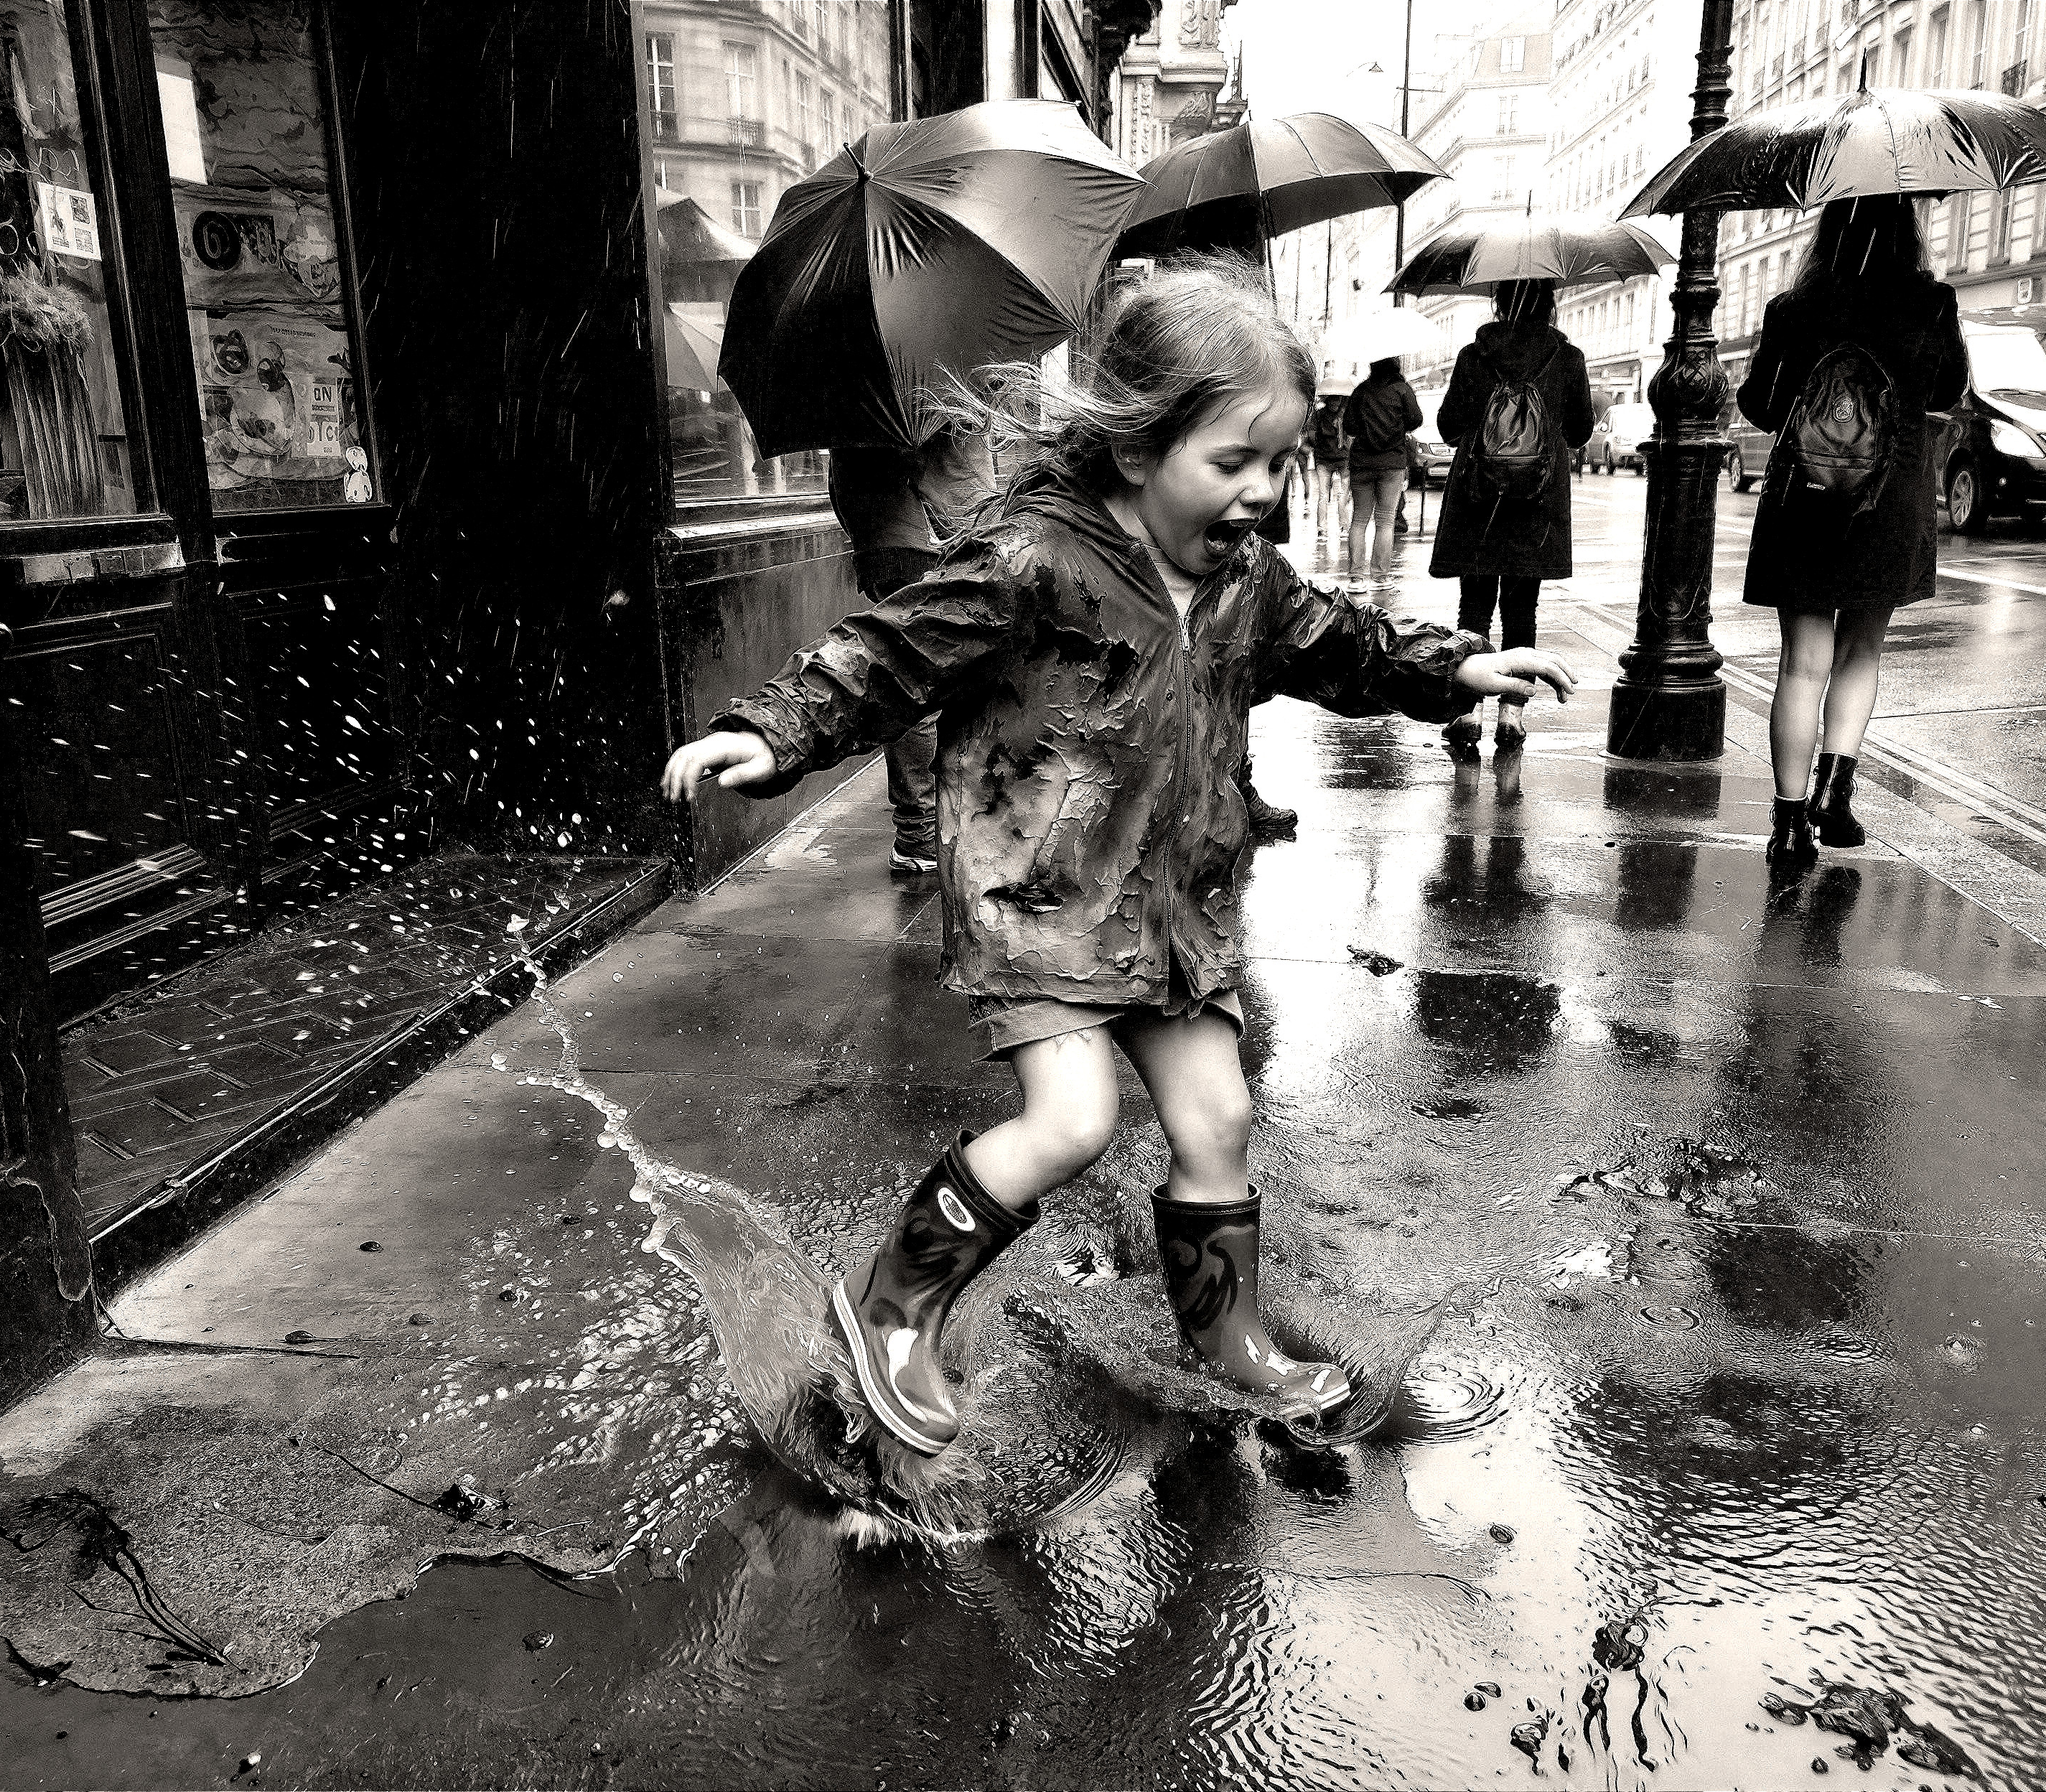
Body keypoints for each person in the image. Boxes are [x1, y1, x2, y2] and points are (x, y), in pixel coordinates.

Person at [662, 257, 1574, 1457]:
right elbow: (889, 651)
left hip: (1172, 904)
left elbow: (1336, 642)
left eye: (1280, 462)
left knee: (1214, 1116)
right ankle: (892, 1303)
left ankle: (1224, 1334)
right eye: (1234, 462)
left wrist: (1448, 666)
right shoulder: (1034, 556)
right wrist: (768, 730)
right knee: (1073, 1116)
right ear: (1140, 448)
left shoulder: (1242, 580)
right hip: (1041, 895)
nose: (1261, 491)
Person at [1737, 195, 1967, 874]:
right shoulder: (1931, 303)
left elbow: (1761, 405)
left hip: (1805, 497)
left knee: (1801, 664)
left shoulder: (1794, 307)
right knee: (1862, 648)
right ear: (1907, 230)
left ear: (1830, 228)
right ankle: (1835, 794)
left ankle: (1787, 825)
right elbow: (1945, 390)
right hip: (1888, 499)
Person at [1429, 279, 1595, 751]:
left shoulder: (1472, 355)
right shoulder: (1568, 359)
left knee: (1473, 609)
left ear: (1499, 302)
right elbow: (1581, 431)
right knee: (1523, 612)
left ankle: (1467, 712)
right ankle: (1512, 716)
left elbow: (1448, 427)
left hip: (1478, 500)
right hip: (1537, 504)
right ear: (1550, 303)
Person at [826, 430, 994, 874]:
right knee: (920, 672)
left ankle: (923, 824)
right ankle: (921, 830)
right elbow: (965, 483)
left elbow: (842, 489)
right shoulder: (933, 381)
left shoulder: (863, 400)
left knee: (908, 666)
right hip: (926, 540)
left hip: (887, 539)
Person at [1343, 356, 1425, 584]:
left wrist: (1367, 426)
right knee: (1386, 521)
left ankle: (1356, 578)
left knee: (1359, 520)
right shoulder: (1402, 390)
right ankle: (1380, 577)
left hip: (1362, 462)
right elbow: (1416, 420)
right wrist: (1396, 425)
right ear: (1395, 365)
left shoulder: (1361, 391)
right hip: (1392, 462)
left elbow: (1349, 426)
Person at [1310, 387, 1353, 556]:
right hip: (1335, 459)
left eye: (1337, 400)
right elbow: (1350, 438)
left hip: (1331, 459)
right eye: (1333, 399)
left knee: (1326, 496)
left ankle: (1325, 529)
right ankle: (1341, 527)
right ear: (1329, 400)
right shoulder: (1341, 415)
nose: (1335, 402)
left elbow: (1312, 437)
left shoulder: (1319, 415)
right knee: (1336, 495)